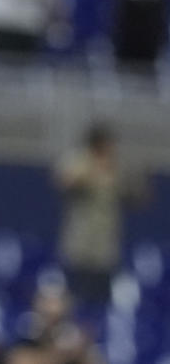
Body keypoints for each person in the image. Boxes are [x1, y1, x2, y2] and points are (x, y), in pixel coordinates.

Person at [55, 122, 150, 310]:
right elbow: (63, 181)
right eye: (108, 143)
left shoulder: (118, 166)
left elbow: (137, 197)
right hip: (80, 242)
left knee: (102, 299)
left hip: (106, 244)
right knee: (74, 296)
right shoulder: (79, 159)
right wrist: (93, 169)